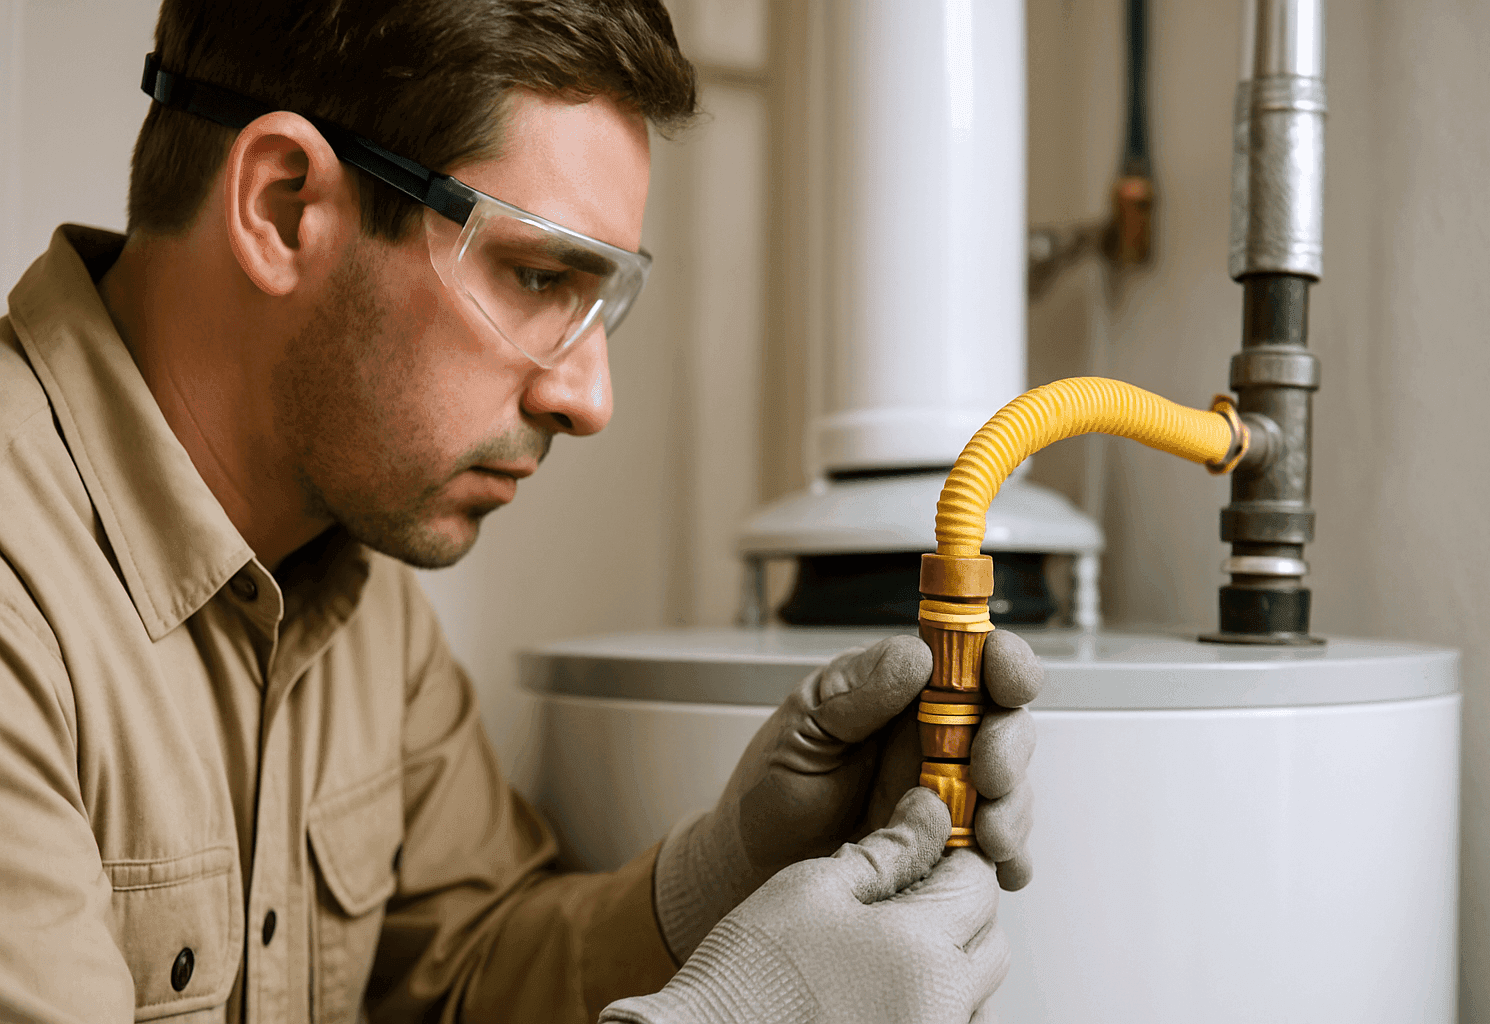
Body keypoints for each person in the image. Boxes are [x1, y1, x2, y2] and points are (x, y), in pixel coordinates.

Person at [0, 2, 1042, 1022]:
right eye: (538, 273)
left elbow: (464, 966)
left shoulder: (353, 591)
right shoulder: (21, 591)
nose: (588, 400)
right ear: (282, 207)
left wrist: (734, 864)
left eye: (599, 299)